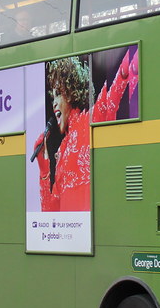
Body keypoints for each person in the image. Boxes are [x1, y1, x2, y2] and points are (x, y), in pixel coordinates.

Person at [33, 48, 138, 211]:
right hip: (71, 227)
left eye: (58, 93)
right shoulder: (61, 150)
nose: (54, 103)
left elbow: (117, 85)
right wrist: (44, 169)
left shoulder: (91, 119)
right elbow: (51, 212)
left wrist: (129, 65)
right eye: (53, 96)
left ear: (72, 93)